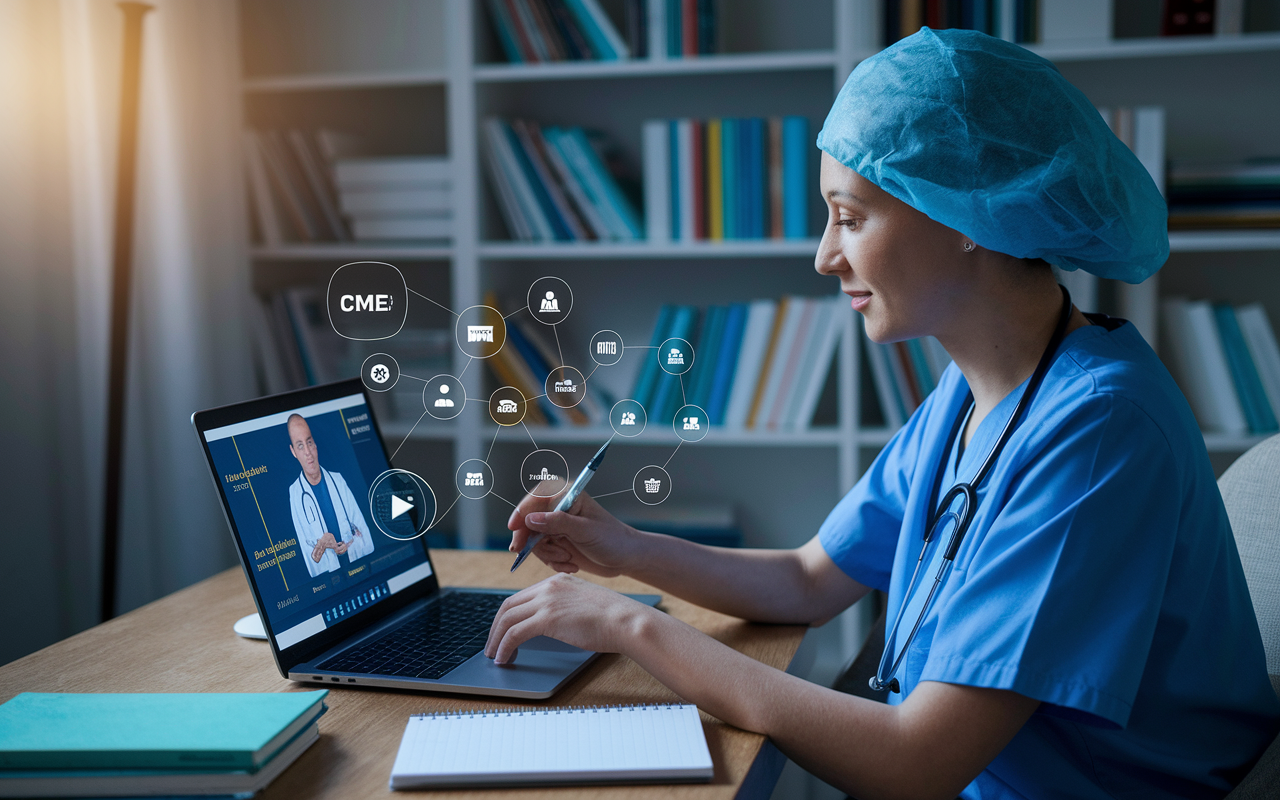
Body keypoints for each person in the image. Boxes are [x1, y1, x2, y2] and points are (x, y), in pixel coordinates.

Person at [484, 28, 1280, 799]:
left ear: (968, 215)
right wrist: (619, 548)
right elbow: (807, 580)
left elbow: (914, 764)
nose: (825, 256)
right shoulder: (975, 393)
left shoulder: (1098, 431)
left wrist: (632, 629)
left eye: (851, 216)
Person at [286, 413, 374, 578]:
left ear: (315, 444)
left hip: (361, 573)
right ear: (293, 452)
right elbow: (310, 563)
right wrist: (322, 544)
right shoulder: (295, 494)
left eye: (309, 442)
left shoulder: (338, 480)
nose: (308, 452)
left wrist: (348, 548)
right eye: (300, 446)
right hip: (332, 585)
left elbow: (367, 540)